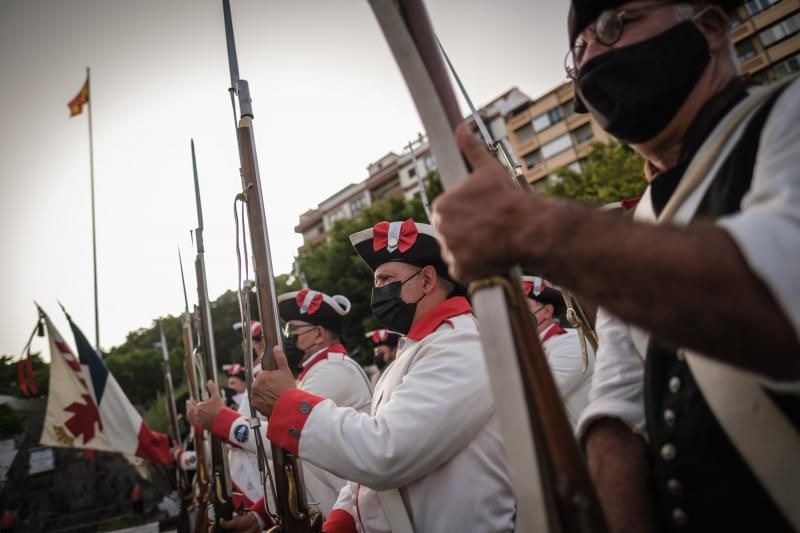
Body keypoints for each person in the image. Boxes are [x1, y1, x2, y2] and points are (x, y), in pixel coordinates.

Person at [433, 1, 800, 531]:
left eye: (613, 25)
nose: (592, 59)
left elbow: (779, 299)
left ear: (711, 29)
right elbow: (619, 402)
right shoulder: (645, 219)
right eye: (577, 53)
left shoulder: (787, 113)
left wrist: (535, 229)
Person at [250, 219, 515, 532]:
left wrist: (288, 404)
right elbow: (372, 473)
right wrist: (342, 520)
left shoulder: (462, 344)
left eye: (385, 279)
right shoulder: (422, 346)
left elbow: (386, 452)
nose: (377, 291)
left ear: (427, 280)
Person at [214, 290, 373, 530]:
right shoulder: (319, 370)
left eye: (292, 331)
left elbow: (287, 437)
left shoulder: (333, 371)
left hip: (349, 512)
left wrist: (222, 421)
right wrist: (260, 515)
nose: (286, 338)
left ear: (318, 333)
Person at [520, 276, 595, 429]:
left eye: (524, 307)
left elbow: (537, 398)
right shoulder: (530, 348)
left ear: (547, 311)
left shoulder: (572, 341)